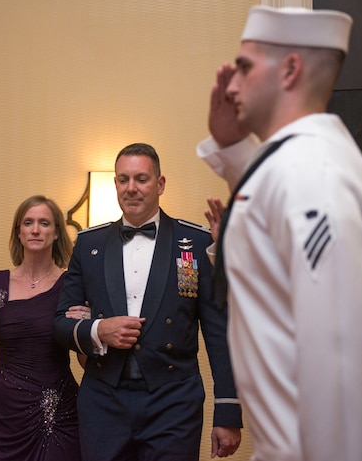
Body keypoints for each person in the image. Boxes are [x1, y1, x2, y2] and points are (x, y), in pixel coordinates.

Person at [196, 5, 362, 461]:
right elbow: (269, 257)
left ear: (291, 69)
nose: (231, 85)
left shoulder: (312, 175)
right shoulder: (294, 167)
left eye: (244, 66)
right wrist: (234, 150)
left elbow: (340, 361)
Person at [53, 143, 242, 461]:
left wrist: (228, 413)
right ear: (115, 184)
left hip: (174, 403)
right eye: (123, 179)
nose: (131, 188)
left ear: (160, 184)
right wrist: (99, 330)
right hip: (103, 401)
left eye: (141, 179)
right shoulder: (89, 244)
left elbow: (219, 333)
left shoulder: (196, 242)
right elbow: (59, 324)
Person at [0, 195, 89, 461]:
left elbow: (87, 361)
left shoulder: (72, 285)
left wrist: (87, 329)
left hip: (59, 415)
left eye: (44, 223)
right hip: (4, 416)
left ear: (56, 233)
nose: (35, 229)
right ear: (18, 232)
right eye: (28, 222)